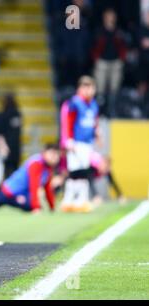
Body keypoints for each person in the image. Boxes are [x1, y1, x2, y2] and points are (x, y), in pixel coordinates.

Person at [0, 144, 60, 214]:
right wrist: (36, 208)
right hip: (10, 192)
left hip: (21, 193)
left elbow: (48, 188)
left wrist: (52, 207)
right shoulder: (36, 163)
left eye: (56, 155)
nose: (54, 157)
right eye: (52, 154)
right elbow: (33, 186)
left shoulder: (48, 168)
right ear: (44, 153)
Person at [60, 76, 100, 213]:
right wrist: (68, 139)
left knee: (81, 172)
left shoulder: (93, 104)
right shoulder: (74, 103)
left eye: (91, 87)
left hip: (87, 143)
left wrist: (97, 134)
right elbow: (67, 121)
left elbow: (94, 122)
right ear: (80, 88)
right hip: (76, 142)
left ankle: (75, 201)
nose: (89, 91)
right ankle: (72, 200)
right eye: (86, 87)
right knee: (77, 172)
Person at [92, 8, 127, 117]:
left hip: (116, 62)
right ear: (104, 18)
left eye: (112, 16)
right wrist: (96, 58)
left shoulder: (118, 31)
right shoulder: (99, 31)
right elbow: (93, 45)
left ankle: (112, 111)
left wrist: (122, 58)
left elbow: (124, 46)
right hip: (102, 62)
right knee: (100, 89)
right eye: (108, 16)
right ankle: (99, 112)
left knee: (114, 89)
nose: (111, 18)